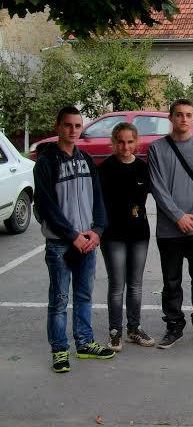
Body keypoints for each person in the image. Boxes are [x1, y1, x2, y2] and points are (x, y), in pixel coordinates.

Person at [35, 106, 112, 373]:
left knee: (84, 295)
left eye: (78, 126)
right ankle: (59, 350)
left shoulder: (86, 159)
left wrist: (98, 230)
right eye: (68, 125)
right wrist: (72, 236)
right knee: (59, 299)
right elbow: (46, 206)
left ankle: (84, 342)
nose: (73, 130)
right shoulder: (46, 162)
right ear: (58, 126)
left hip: (87, 240)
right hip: (60, 243)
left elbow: (98, 198)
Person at [148, 98, 193, 348]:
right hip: (170, 230)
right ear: (171, 117)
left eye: (188, 115)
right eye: (179, 114)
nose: (184, 119)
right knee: (171, 281)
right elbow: (157, 187)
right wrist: (178, 216)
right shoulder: (157, 149)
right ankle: (174, 325)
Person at [98, 122, 156, 351]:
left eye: (130, 142)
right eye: (120, 142)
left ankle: (134, 329)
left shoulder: (143, 168)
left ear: (136, 142)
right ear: (113, 142)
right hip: (113, 235)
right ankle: (115, 331)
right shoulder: (105, 169)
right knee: (116, 286)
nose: (125, 146)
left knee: (135, 285)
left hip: (139, 234)